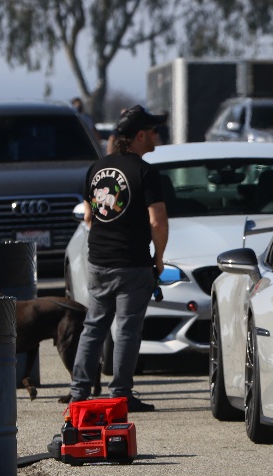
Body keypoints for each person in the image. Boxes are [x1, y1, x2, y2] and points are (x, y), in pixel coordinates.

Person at [69, 105, 169, 412]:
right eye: (153, 131)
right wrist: (159, 258)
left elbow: (88, 216)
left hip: (98, 260)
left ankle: (79, 392)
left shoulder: (97, 168)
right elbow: (157, 221)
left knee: (94, 326)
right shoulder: (146, 173)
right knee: (126, 329)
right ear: (139, 135)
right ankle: (120, 394)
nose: (157, 135)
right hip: (132, 264)